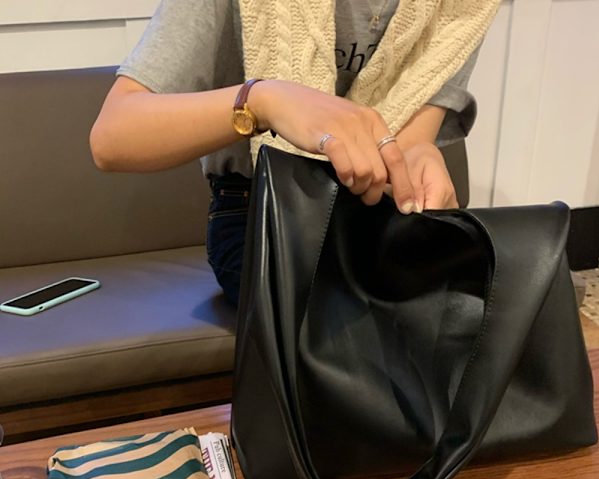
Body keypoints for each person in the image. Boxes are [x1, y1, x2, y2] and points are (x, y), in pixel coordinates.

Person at [91, 0, 500, 306]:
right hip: (262, 214)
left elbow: (408, 140)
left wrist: (419, 158)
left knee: (487, 303)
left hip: (376, 214)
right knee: (362, 319)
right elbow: (113, 136)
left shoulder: (463, 7)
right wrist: (263, 101)